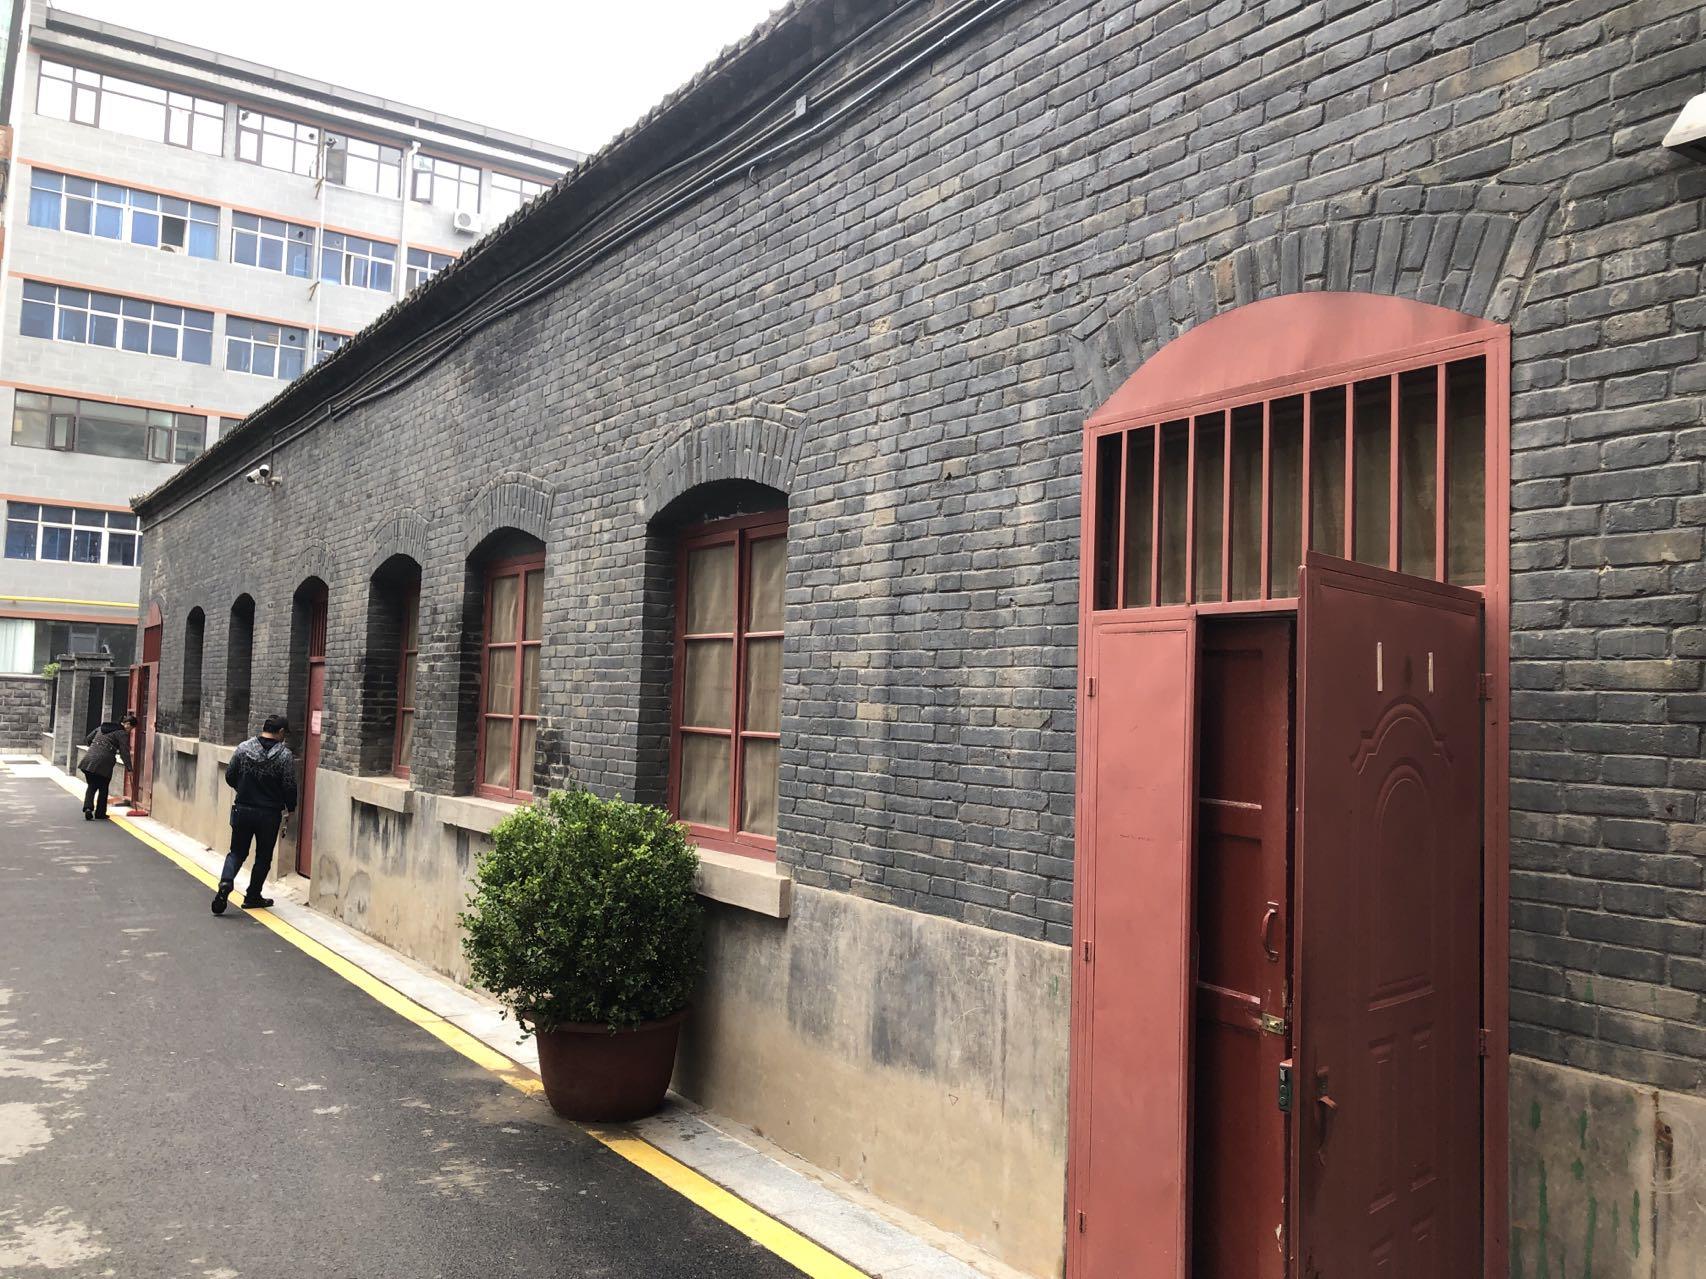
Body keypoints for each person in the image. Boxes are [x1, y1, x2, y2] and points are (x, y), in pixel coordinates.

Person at [213, 714, 298, 915]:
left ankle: (226, 882)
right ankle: (252, 895)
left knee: (237, 852)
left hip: (243, 809)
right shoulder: (284, 755)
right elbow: (289, 785)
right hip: (269, 813)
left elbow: (230, 775)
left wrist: (244, 789)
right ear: (281, 732)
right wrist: (291, 807)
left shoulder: (243, 748)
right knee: (263, 856)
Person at [79, 714, 136, 820]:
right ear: (127, 724)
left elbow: (88, 739)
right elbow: (124, 752)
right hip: (104, 763)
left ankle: (88, 808)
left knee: (92, 785)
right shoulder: (121, 733)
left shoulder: (101, 727)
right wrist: (129, 768)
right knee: (103, 788)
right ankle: (100, 813)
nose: (130, 731)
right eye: (131, 728)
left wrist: (95, 747)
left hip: (88, 760)